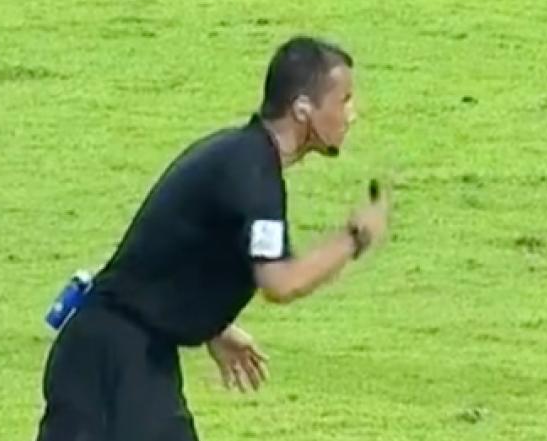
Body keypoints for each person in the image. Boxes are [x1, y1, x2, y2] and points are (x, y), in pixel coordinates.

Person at [34, 35, 391, 441]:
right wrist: (353, 239)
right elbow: (280, 282)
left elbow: (175, 252)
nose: (353, 114)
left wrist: (213, 328)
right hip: (109, 360)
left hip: (130, 352)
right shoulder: (251, 173)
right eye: (344, 100)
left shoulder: (242, 159)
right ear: (303, 111)